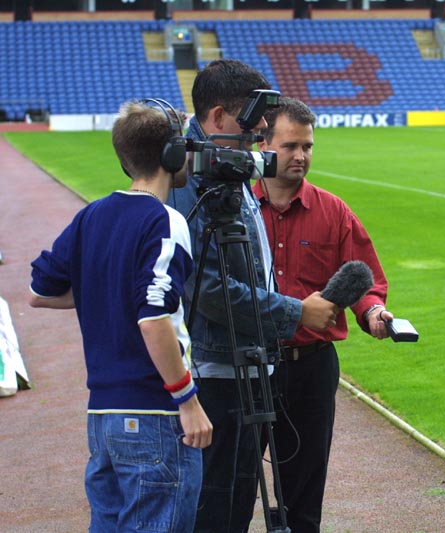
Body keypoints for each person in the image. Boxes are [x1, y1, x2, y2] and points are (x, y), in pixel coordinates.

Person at [169, 60, 339, 533]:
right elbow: (207, 290)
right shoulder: (189, 177)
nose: (262, 128)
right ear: (220, 116)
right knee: (218, 508)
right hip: (218, 374)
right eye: (254, 119)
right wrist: (296, 311)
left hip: (245, 366)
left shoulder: (226, 162)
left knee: (238, 501)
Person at [28, 100, 213, 532]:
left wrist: (103, 289)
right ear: (171, 155)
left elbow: (39, 291)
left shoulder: (91, 215)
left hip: (103, 420)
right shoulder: (165, 220)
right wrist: (187, 401)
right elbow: (154, 319)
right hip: (156, 416)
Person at [253, 97, 393, 533]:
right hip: (246, 368)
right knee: (235, 483)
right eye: (291, 145)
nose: (301, 156)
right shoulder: (234, 208)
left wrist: (374, 312)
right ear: (261, 143)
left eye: (308, 147)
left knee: (305, 488)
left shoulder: (333, 211)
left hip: (310, 369)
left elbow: (365, 280)